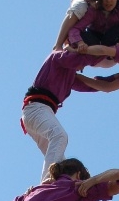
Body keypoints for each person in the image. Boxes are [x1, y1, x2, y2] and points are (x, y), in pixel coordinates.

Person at [21, 50, 103, 181]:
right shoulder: (58, 58)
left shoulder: (69, 77)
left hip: (39, 112)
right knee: (59, 136)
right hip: (36, 108)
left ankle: (59, 188)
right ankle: (47, 183)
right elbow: (81, 58)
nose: (82, 69)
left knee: (62, 165)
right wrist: (111, 51)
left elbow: (97, 85)